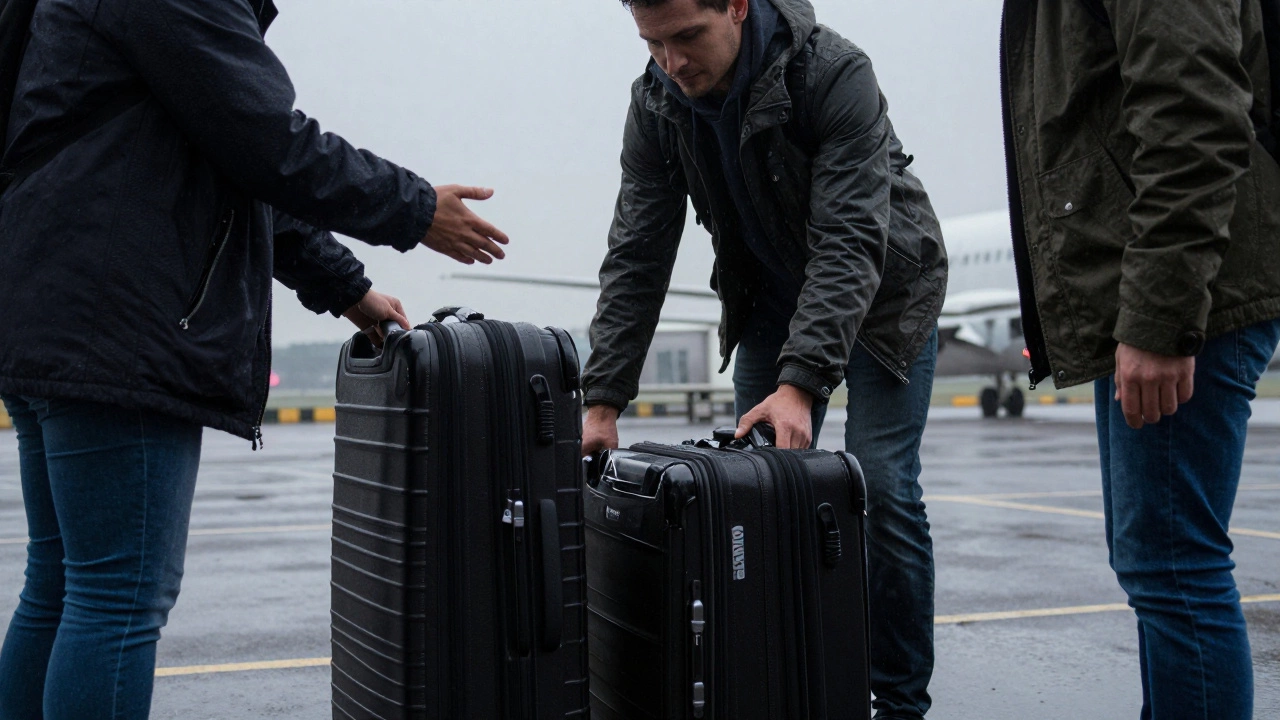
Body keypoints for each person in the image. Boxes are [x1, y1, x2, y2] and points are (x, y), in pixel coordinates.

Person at [0, 0, 508, 717]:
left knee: (61, 585)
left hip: (51, 306)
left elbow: (229, 153)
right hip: (118, 325)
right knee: (116, 595)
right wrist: (415, 208)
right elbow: (269, 142)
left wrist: (347, 287)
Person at [580, 0, 948, 715]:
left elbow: (848, 241)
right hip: (770, 302)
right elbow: (636, 254)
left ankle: (899, 703)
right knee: (759, 497)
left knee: (881, 484)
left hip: (885, 295)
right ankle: (790, 684)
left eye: (687, 37)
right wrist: (602, 402)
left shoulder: (835, 74)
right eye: (652, 44)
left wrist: (801, 384)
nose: (672, 63)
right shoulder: (657, 102)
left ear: (739, 6)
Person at [1000, 1, 1280, 717]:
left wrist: (1160, 318)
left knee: (1175, 568)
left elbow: (1195, 111)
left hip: (1191, 294)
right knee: (1162, 568)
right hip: (1167, 288)